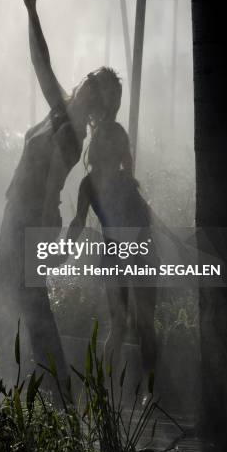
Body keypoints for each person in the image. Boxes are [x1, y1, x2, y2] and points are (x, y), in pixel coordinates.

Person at [0, 0, 122, 392]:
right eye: (88, 81)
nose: (84, 89)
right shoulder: (61, 111)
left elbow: (48, 186)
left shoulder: (69, 130)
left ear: (98, 106)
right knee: (20, 306)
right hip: (23, 216)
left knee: (23, 308)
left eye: (93, 90)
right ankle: (18, 385)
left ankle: (35, 388)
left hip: (30, 219)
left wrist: (45, 234)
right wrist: (32, 13)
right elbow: (41, 63)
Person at [67, 121, 157, 380]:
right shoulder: (110, 183)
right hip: (125, 254)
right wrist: (60, 252)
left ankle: (130, 389)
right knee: (127, 326)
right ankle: (106, 387)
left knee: (137, 325)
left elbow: (78, 223)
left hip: (134, 253)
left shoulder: (120, 182)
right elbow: (78, 223)